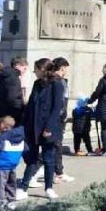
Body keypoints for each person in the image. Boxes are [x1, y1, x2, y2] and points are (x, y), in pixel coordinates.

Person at [21, 57, 70, 200]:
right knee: (32, 158)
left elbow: (57, 108)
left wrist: (49, 127)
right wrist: (24, 123)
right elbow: (31, 104)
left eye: (35, 69)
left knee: (49, 159)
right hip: (34, 126)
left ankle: (49, 188)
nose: (34, 72)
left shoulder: (57, 84)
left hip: (49, 128)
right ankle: (23, 187)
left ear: (42, 69)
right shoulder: (37, 84)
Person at [0, 116, 25, 210]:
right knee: (11, 184)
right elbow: (26, 148)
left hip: (1, 165)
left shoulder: (1, 137)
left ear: (3, 126)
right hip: (13, 165)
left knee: (0, 185)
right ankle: (11, 201)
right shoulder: (20, 138)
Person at [0, 56, 27, 125]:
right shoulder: (13, 77)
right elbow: (13, 97)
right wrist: (21, 109)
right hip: (11, 116)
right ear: (18, 66)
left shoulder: (3, 75)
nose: (25, 71)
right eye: (24, 68)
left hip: (0, 113)